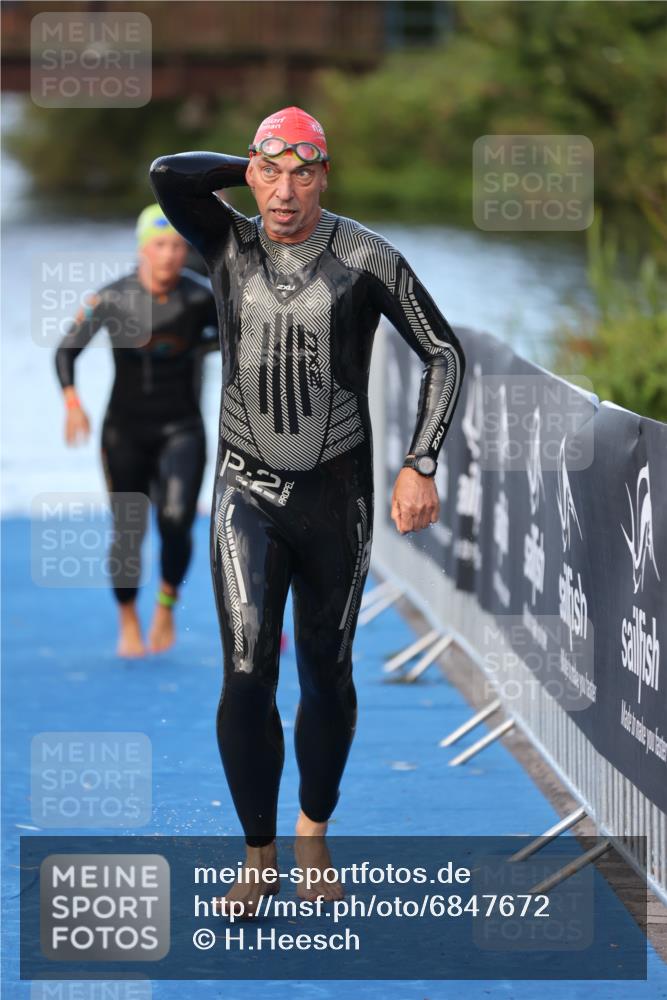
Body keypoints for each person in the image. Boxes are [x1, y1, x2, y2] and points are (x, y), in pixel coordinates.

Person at [149, 107, 466, 913]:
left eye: (302, 173)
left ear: (326, 176)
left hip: (338, 497)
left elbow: (442, 351)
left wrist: (419, 462)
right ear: (250, 176)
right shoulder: (227, 242)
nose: (284, 192)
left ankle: (312, 832)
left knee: (324, 677)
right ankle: (258, 853)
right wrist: (256, 157)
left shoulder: (365, 258)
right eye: (269, 174)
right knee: (247, 674)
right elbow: (167, 173)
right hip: (244, 491)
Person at [55, 204, 219, 657]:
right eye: (159, 245)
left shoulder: (201, 297)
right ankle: (128, 619)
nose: (169, 255)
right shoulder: (113, 298)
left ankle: (166, 604)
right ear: (143, 248)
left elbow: (245, 337)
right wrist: (72, 402)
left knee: (176, 521)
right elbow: (67, 351)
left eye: (177, 246)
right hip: (124, 431)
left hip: (182, 428)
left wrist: (207, 350)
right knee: (128, 531)